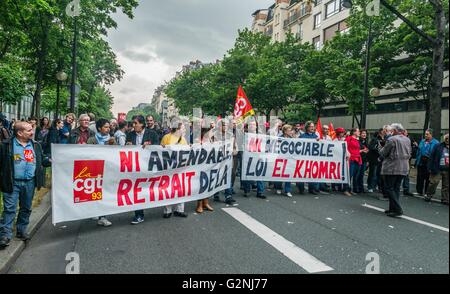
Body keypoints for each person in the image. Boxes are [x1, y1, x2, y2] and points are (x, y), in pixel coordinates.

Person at [0, 122, 50, 249]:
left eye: (31, 129)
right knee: (10, 209)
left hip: (30, 182)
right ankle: (5, 235)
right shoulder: (6, 145)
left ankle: (21, 231)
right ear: (19, 133)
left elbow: (41, 160)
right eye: (29, 130)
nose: (32, 132)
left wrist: (48, 160)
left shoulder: (36, 145)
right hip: (12, 182)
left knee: (26, 207)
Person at [126, 115, 160, 224]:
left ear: (142, 124)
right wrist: (127, 145)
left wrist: (150, 146)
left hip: (148, 167)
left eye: (136, 123)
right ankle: (139, 214)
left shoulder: (152, 134)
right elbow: (124, 150)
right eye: (133, 123)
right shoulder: (130, 135)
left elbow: (158, 148)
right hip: (135, 167)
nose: (134, 125)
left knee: (151, 188)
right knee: (136, 189)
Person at [87, 118, 115, 226]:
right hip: (95, 170)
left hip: (108, 170)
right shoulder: (92, 140)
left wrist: (112, 145)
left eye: (109, 127)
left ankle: (103, 217)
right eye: (106, 127)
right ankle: (95, 211)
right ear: (99, 128)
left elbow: (117, 155)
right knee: (95, 192)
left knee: (105, 193)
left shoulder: (112, 140)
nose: (108, 129)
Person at [380, 123, 411, 217]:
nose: (391, 132)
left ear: (395, 131)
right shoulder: (407, 139)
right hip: (404, 167)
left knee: (389, 188)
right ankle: (392, 209)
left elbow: (384, 153)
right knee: (396, 188)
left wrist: (381, 148)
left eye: (392, 130)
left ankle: (397, 209)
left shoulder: (391, 139)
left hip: (392, 167)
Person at [160, 122, 189, 218]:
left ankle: (179, 210)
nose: (184, 130)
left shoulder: (183, 139)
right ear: (177, 129)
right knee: (168, 188)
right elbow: (160, 150)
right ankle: (167, 210)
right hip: (169, 168)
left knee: (181, 188)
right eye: (183, 128)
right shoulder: (166, 137)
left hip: (180, 167)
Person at [275, 124, 303, 197]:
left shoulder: (292, 139)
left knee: (288, 174)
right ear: (285, 131)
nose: (291, 131)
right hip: (281, 158)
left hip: (289, 159)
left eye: (291, 130)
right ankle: (279, 188)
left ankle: (287, 190)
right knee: (280, 174)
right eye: (289, 130)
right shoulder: (279, 138)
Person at [242, 120, 266, 199]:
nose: (252, 126)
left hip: (258, 156)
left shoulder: (260, 135)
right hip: (248, 157)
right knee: (248, 174)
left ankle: (260, 191)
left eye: (254, 125)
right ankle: (247, 190)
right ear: (248, 127)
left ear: (256, 126)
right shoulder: (244, 135)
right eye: (250, 125)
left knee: (260, 174)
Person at [196, 127, 216, 213]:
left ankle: (206, 203)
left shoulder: (211, 140)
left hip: (209, 165)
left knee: (208, 184)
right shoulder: (198, 140)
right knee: (201, 185)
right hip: (200, 166)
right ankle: (199, 205)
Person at [425, 133, 449, 204]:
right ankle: (429, 195)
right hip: (437, 168)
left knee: (446, 185)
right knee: (434, 182)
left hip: (447, 169)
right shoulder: (438, 146)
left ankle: (445, 199)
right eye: (446, 139)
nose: (447, 140)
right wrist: (429, 167)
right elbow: (431, 157)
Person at [415, 129, 440, 196]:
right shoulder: (422, 141)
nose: (425, 135)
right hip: (421, 161)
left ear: (431, 134)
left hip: (429, 162)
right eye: (425, 134)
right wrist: (417, 160)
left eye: (427, 134)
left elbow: (436, 154)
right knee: (420, 177)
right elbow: (419, 151)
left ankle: (427, 192)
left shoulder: (436, 143)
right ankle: (419, 191)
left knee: (428, 178)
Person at [300, 121, 320, 195]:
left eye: (313, 126)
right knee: (302, 173)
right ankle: (301, 188)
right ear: (307, 127)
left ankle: (312, 189)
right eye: (311, 126)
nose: (312, 128)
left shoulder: (316, 137)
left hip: (312, 159)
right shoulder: (302, 136)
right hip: (303, 159)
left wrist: (319, 141)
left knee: (312, 174)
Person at [345, 128, 362, 196]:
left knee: (355, 175)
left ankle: (350, 189)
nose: (359, 132)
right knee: (350, 174)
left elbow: (356, 150)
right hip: (351, 158)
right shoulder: (349, 138)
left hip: (357, 158)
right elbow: (345, 147)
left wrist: (362, 151)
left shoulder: (357, 140)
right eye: (358, 131)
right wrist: (347, 154)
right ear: (354, 132)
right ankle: (346, 189)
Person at [367, 129, 383, 193]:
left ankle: (376, 185)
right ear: (379, 133)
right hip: (374, 159)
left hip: (380, 159)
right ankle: (370, 186)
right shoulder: (374, 139)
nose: (383, 134)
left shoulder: (384, 139)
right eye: (382, 133)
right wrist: (379, 149)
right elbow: (371, 147)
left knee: (379, 174)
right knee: (373, 173)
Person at [356, 129, 369, 193]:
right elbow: (358, 150)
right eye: (363, 133)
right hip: (359, 159)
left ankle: (361, 188)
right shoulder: (358, 141)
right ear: (360, 134)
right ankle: (357, 188)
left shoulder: (366, 141)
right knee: (358, 174)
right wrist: (364, 150)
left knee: (361, 175)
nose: (364, 134)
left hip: (364, 160)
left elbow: (368, 150)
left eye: (365, 133)